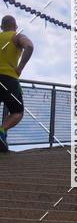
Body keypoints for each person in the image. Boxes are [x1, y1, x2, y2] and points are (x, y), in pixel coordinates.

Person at [0, 15, 34, 153]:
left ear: (1, 27)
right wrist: (20, 68)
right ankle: (2, 130)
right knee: (17, 112)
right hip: (9, 79)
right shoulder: (17, 36)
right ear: (15, 26)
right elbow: (29, 46)